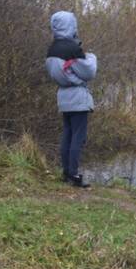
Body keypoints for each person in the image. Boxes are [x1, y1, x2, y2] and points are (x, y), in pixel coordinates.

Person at [46, 11, 97, 189]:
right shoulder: (71, 48)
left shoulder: (52, 48)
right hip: (77, 97)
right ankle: (74, 175)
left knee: (67, 135)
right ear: (71, 25)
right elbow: (89, 71)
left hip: (63, 97)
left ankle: (66, 173)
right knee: (78, 137)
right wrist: (91, 57)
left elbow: (59, 73)